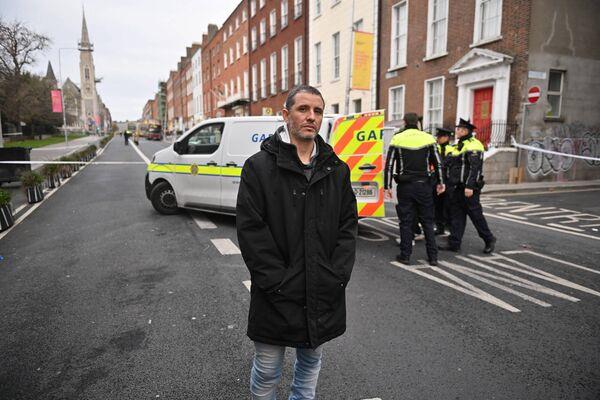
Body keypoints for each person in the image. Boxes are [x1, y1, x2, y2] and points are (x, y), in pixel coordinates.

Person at [236, 85, 358, 400]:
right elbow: (251, 231)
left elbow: (347, 228)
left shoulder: (337, 170)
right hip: (275, 292)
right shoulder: (258, 167)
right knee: (267, 370)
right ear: (286, 115)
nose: (311, 117)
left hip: (321, 289)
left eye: (317, 111)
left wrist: (336, 275)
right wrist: (276, 280)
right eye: (303, 109)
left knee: (310, 366)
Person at [384, 113, 445, 266]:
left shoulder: (397, 138)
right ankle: (433, 257)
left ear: (404, 122)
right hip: (424, 185)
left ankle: (405, 255)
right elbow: (438, 163)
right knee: (427, 222)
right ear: (417, 122)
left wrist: (387, 186)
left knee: (406, 221)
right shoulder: (428, 138)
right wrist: (441, 182)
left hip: (405, 187)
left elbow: (389, 165)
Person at [439, 118, 496, 254]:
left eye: (458, 129)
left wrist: (470, 186)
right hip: (456, 188)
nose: (456, 131)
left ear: (465, 131)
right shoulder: (457, 145)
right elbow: (448, 165)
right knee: (456, 216)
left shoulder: (474, 144)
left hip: (468, 188)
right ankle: (454, 243)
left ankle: (489, 239)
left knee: (476, 216)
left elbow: (475, 168)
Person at [433, 127, 454, 235]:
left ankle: (450, 228)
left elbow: (444, 164)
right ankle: (439, 227)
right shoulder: (436, 147)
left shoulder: (451, 150)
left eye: (440, 137)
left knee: (448, 206)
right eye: (437, 136)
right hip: (436, 181)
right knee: (438, 206)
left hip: (447, 181)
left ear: (446, 137)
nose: (438, 138)